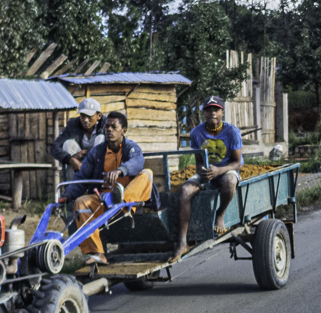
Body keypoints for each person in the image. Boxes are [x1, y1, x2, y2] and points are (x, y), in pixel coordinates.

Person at [64, 111, 153, 265]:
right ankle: (98, 253)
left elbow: (138, 162)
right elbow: (82, 176)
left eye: (114, 127)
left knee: (147, 173)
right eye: (107, 126)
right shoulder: (97, 151)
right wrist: (67, 194)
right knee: (80, 202)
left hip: (129, 201)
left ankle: (122, 201)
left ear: (123, 130)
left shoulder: (131, 148)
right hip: (104, 199)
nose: (109, 130)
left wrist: (120, 171)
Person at [169, 96, 244, 263]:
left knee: (230, 182)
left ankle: (220, 214)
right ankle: (182, 243)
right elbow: (199, 162)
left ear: (222, 112)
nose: (212, 113)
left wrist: (219, 170)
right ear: (204, 113)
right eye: (208, 110)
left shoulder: (232, 132)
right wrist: (202, 172)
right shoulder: (197, 133)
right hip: (208, 172)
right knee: (185, 191)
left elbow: (238, 163)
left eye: (216, 110)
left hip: (226, 169)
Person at [50, 98, 105, 175]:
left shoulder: (106, 124)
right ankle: (74, 180)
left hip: (99, 164)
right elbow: (54, 147)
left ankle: (96, 177)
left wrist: (85, 152)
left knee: (101, 138)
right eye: (83, 116)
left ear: (99, 116)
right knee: (68, 143)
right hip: (79, 164)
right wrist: (70, 159)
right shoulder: (73, 124)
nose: (85, 120)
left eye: (89, 116)